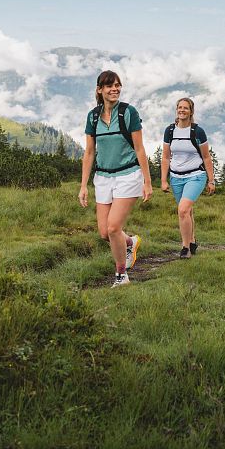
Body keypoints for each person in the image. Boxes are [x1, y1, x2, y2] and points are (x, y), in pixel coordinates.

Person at [78, 70, 153, 287]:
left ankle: (121, 276)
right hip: (103, 177)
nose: (115, 89)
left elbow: (139, 149)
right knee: (104, 233)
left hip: (128, 175)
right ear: (99, 90)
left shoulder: (128, 112)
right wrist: (83, 186)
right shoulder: (93, 116)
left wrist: (147, 182)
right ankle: (130, 242)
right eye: (110, 86)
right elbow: (90, 152)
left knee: (113, 228)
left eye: (118, 85)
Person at [161, 97, 215, 259]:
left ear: (191, 111)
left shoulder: (197, 132)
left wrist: (211, 180)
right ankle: (192, 240)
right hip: (176, 177)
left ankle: (185, 248)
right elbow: (165, 157)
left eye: (186, 108)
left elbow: (206, 157)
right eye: (179, 107)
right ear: (176, 110)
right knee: (187, 211)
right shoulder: (170, 131)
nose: (182, 110)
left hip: (196, 176)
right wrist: (163, 180)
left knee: (183, 210)